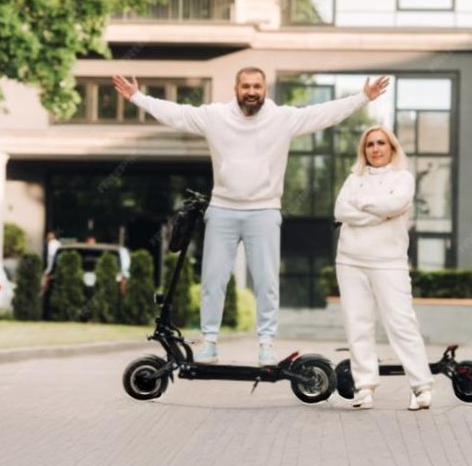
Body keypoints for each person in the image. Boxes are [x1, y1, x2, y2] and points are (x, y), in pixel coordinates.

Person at [113, 67, 389, 365]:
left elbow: (323, 113)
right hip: (222, 209)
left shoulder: (282, 119)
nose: (252, 91)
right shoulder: (215, 117)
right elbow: (177, 113)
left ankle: (267, 345)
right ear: (236, 89)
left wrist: (362, 98)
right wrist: (138, 97)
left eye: (257, 86)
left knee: (266, 281)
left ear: (264, 90)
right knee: (213, 280)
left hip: (264, 210)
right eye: (246, 86)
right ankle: (209, 343)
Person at [333, 124, 431, 411]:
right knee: (357, 324)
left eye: (381, 143)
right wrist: (378, 213)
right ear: (364, 150)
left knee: (402, 323)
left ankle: (421, 386)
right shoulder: (354, 178)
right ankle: (364, 387)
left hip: (389, 263)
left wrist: (362, 207)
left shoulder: (403, 178)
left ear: (392, 148)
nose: (375, 149)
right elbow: (340, 211)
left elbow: (397, 203)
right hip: (350, 260)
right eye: (370, 144)